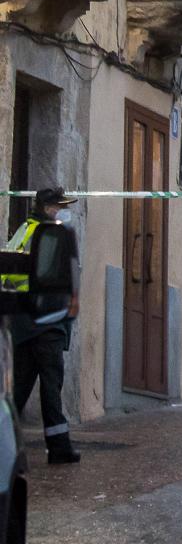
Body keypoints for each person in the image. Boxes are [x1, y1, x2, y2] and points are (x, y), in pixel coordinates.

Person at [4, 188, 82, 464]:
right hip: (44, 319)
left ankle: (7, 446)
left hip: (28, 321)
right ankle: (59, 447)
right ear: (47, 207)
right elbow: (18, 271)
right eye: (59, 206)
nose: (63, 210)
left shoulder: (29, 229)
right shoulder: (46, 234)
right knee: (51, 384)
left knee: (20, 387)